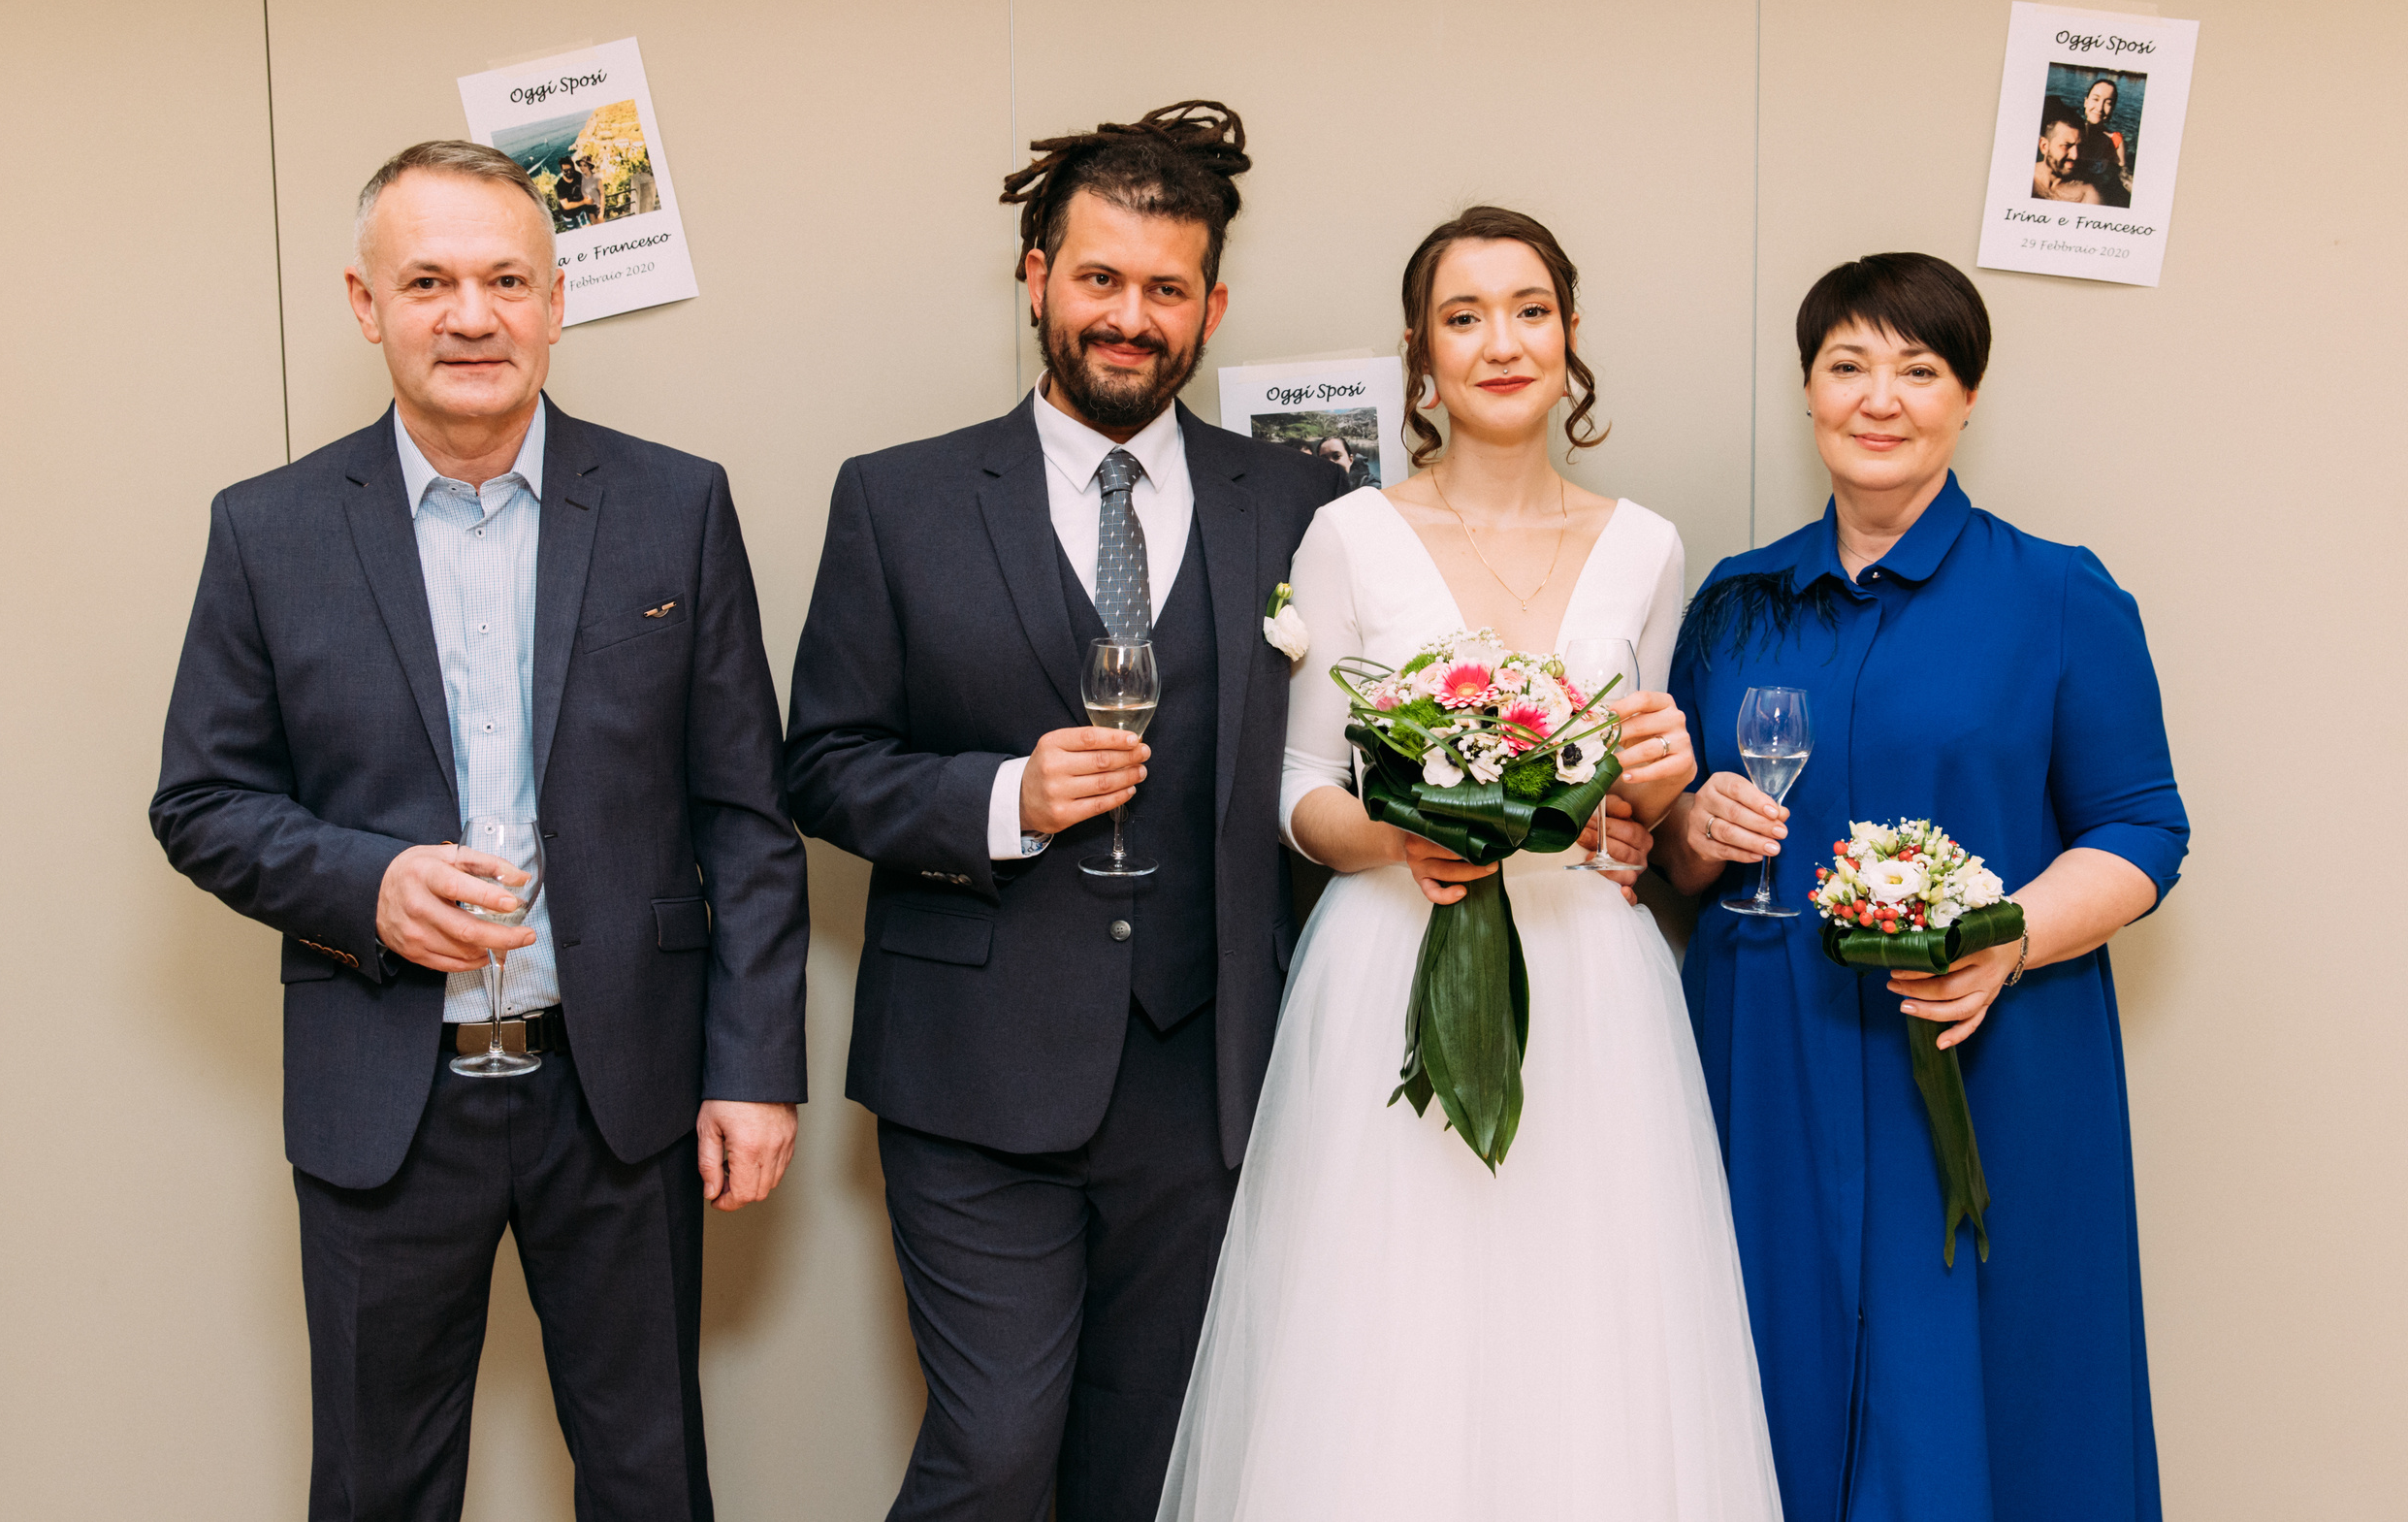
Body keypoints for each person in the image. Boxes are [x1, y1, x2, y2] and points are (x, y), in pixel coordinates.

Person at [150, 140, 810, 1520]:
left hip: (619, 1093)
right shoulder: (268, 531)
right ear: (364, 302)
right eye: (431, 279)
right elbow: (202, 801)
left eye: (508, 278)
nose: (472, 314)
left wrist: (756, 1067)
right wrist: (364, 882)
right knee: (378, 1488)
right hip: (384, 1092)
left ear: (556, 300)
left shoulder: (674, 507)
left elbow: (747, 816)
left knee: (648, 1481)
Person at [1157, 207, 1782, 1519]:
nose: (1504, 341)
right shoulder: (1348, 535)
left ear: (1569, 340)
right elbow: (1297, 790)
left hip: (1591, 982)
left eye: (1531, 310)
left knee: (1588, 1339)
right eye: (1465, 315)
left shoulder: (1648, 546)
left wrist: (1659, 785)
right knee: (1389, 1338)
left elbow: (1642, 816)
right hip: (1393, 959)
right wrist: (1394, 834)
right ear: (1420, 359)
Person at [781, 102, 1346, 1522]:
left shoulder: (1302, 506)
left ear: (1212, 304)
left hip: (1204, 1072)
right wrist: (999, 796)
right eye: (1100, 278)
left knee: (1149, 1464)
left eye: (1166, 289)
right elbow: (821, 761)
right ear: (1034, 276)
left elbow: (1351, 750)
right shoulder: (896, 499)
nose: (1129, 317)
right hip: (971, 1076)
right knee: (995, 1448)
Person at [1652, 253, 2187, 1522]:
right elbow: (1666, 852)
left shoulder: (2057, 593)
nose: (1879, 397)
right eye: (1848, 364)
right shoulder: (1737, 602)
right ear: (1807, 389)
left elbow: (2141, 828)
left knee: (1982, 1393)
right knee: (1762, 1362)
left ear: (1967, 396)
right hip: (1765, 1052)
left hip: (1982, 1049)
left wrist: (2006, 939)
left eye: (1918, 367)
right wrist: (1689, 823)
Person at [2074, 78, 2134, 206]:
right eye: (2095, 99)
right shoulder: (2068, 134)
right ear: (2086, 102)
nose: (2100, 108)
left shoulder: (2115, 141)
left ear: (2112, 109)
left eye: (2108, 103)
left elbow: (2123, 175)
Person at [2030, 107, 2103, 203]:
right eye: (2066, 146)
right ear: (2044, 146)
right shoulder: (2024, 177)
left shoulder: (2087, 194)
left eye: (2080, 147)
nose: (2075, 156)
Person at [555, 151, 596, 227]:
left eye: (571, 169)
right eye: (566, 171)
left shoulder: (578, 176)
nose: (569, 172)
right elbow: (566, 205)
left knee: (589, 230)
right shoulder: (560, 186)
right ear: (561, 171)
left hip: (581, 211)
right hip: (568, 215)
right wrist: (584, 202)